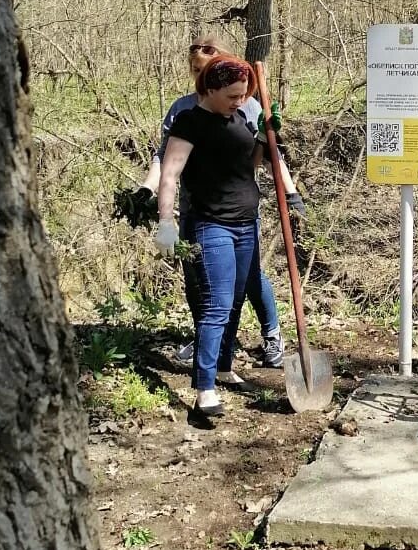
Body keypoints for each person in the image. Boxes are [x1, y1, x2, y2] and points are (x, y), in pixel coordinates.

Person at [126, 37, 305, 367]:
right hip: (196, 208)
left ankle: (271, 334)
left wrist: (291, 192)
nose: (200, 74)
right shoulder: (183, 109)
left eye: (206, 68)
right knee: (198, 277)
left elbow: (268, 154)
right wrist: (146, 191)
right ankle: (213, 343)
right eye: (195, 69)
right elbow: (164, 160)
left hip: (237, 208)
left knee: (249, 276)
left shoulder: (246, 104)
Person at [154, 54, 273, 419]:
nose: (240, 102)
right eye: (233, 95)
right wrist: (166, 221)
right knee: (216, 306)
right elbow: (170, 174)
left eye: (244, 95)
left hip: (245, 223)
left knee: (235, 302)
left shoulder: (239, 118)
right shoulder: (190, 122)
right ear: (210, 88)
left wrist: (267, 139)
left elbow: (249, 165)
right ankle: (204, 389)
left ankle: (224, 368)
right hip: (210, 225)